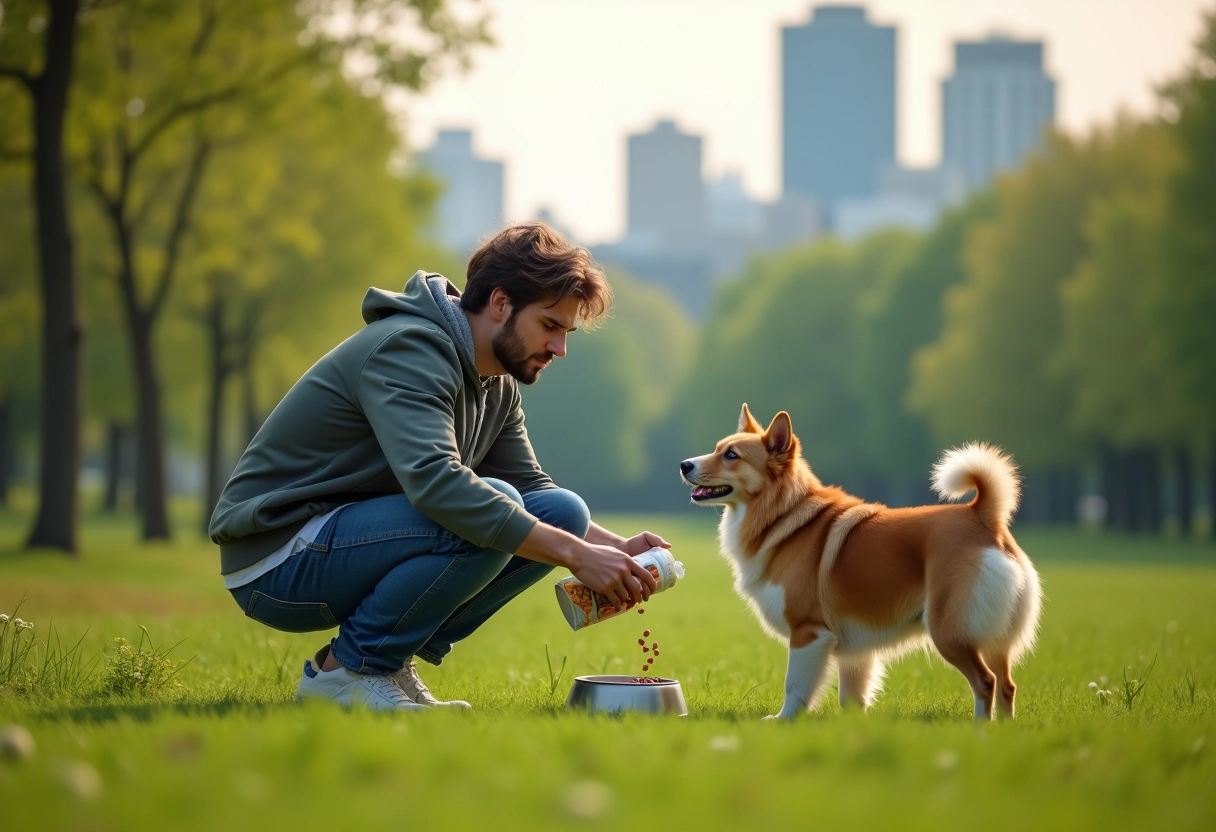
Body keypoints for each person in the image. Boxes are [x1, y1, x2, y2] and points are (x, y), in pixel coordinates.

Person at [209, 223, 665, 711]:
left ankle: (387, 658)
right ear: (499, 303)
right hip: (279, 558)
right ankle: (351, 670)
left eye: (566, 333)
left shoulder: (496, 380)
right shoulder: (410, 349)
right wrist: (577, 558)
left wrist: (615, 548)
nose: (560, 348)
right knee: (494, 507)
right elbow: (437, 484)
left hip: (348, 542)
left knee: (561, 511)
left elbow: (533, 487)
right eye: (550, 325)